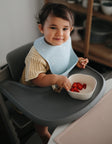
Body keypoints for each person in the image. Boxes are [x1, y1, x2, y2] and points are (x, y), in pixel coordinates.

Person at [20, 3, 88, 144]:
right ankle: (43, 133)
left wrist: (77, 61)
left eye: (65, 28)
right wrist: (56, 78)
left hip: (56, 83)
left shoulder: (64, 41)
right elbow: (36, 80)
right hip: (35, 91)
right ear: (41, 28)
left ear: (71, 29)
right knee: (42, 115)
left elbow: (64, 57)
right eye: (53, 27)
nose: (59, 33)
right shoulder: (36, 55)